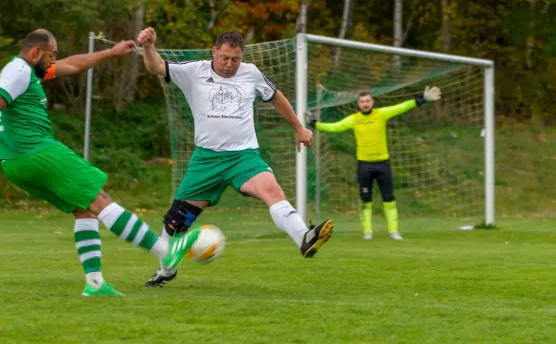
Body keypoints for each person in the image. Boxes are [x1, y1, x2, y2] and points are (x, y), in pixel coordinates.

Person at [0, 29, 201, 297]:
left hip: (14, 162)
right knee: (100, 200)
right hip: (36, 153)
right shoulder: (18, 72)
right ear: (36, 53)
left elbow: (72, 65)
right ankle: (166, 252)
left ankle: (95, 284)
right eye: (51, 56)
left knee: (83, 209)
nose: (53, 62)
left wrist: (110, 52)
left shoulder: (28, 71)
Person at [137, 27, 333, 287]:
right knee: (175, 223)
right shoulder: (194, 71)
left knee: (272, 191)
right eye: (225, 58)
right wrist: (148, 47)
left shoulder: (251, 73)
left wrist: (298, 127)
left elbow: (276, 98)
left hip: (243, 157)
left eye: (236, 59)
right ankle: (166, 270)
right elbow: (156, 67)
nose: (230, 65)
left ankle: (303, 237)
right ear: (214, 52)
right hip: (205, 161)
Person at [308, 87, 442, 240]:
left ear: (372, 102)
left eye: (367, 101)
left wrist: (422, 99)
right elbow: (335, 127)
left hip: (382, 164)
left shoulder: (381, 114)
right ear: (358, 104)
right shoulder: (354, 119)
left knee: (389, 198)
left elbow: (401, 107)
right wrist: (315, 124)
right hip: (364, 165)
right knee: (366, 199)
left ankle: (394, 232)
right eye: (362, 101)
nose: (365, 104)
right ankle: (367, 232)